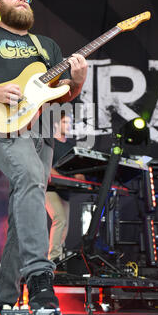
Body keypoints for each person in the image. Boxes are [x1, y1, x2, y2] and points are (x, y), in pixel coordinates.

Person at [0, 0, 87, 310]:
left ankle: (4, 299)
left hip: (42, 133)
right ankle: (41, 277)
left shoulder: (46, 46)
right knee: (29, 180)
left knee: (26, 204)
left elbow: (62, 93)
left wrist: (78, 82)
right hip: (3, 127)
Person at [46, 113, 85, 267]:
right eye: (65, 122)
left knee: (65, 226)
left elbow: (77, 170)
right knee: (59, 218)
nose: (68, 125)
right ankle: (53, 258)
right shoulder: (50, 143)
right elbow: (46, 167)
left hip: (65, 191)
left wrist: (79, 175)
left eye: (70, 122)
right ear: (56, 124)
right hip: (50, 189)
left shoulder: (71, 147)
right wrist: (63, 178)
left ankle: (59, 259)